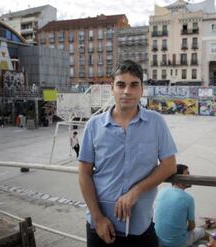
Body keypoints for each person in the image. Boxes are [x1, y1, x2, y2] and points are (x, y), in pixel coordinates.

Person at [78, 59, 178, 247]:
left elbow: (169, 164)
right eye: (121, 84)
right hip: (101, 226)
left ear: (141, 89)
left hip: (140, 226)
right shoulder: (94, 125)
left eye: (134, 85)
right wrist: (98, 218)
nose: (127, 91)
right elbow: (84, 172)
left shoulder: (156, 122)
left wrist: (136, 191)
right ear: (112, 88)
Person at [154, 164, 206, 247]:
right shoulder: (188, 199)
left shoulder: (161, 192)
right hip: (178, 243)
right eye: (187, 174)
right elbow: (191, 226)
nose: (190, 177)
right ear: (179, 178)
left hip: (158, 240)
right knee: (202, 231)